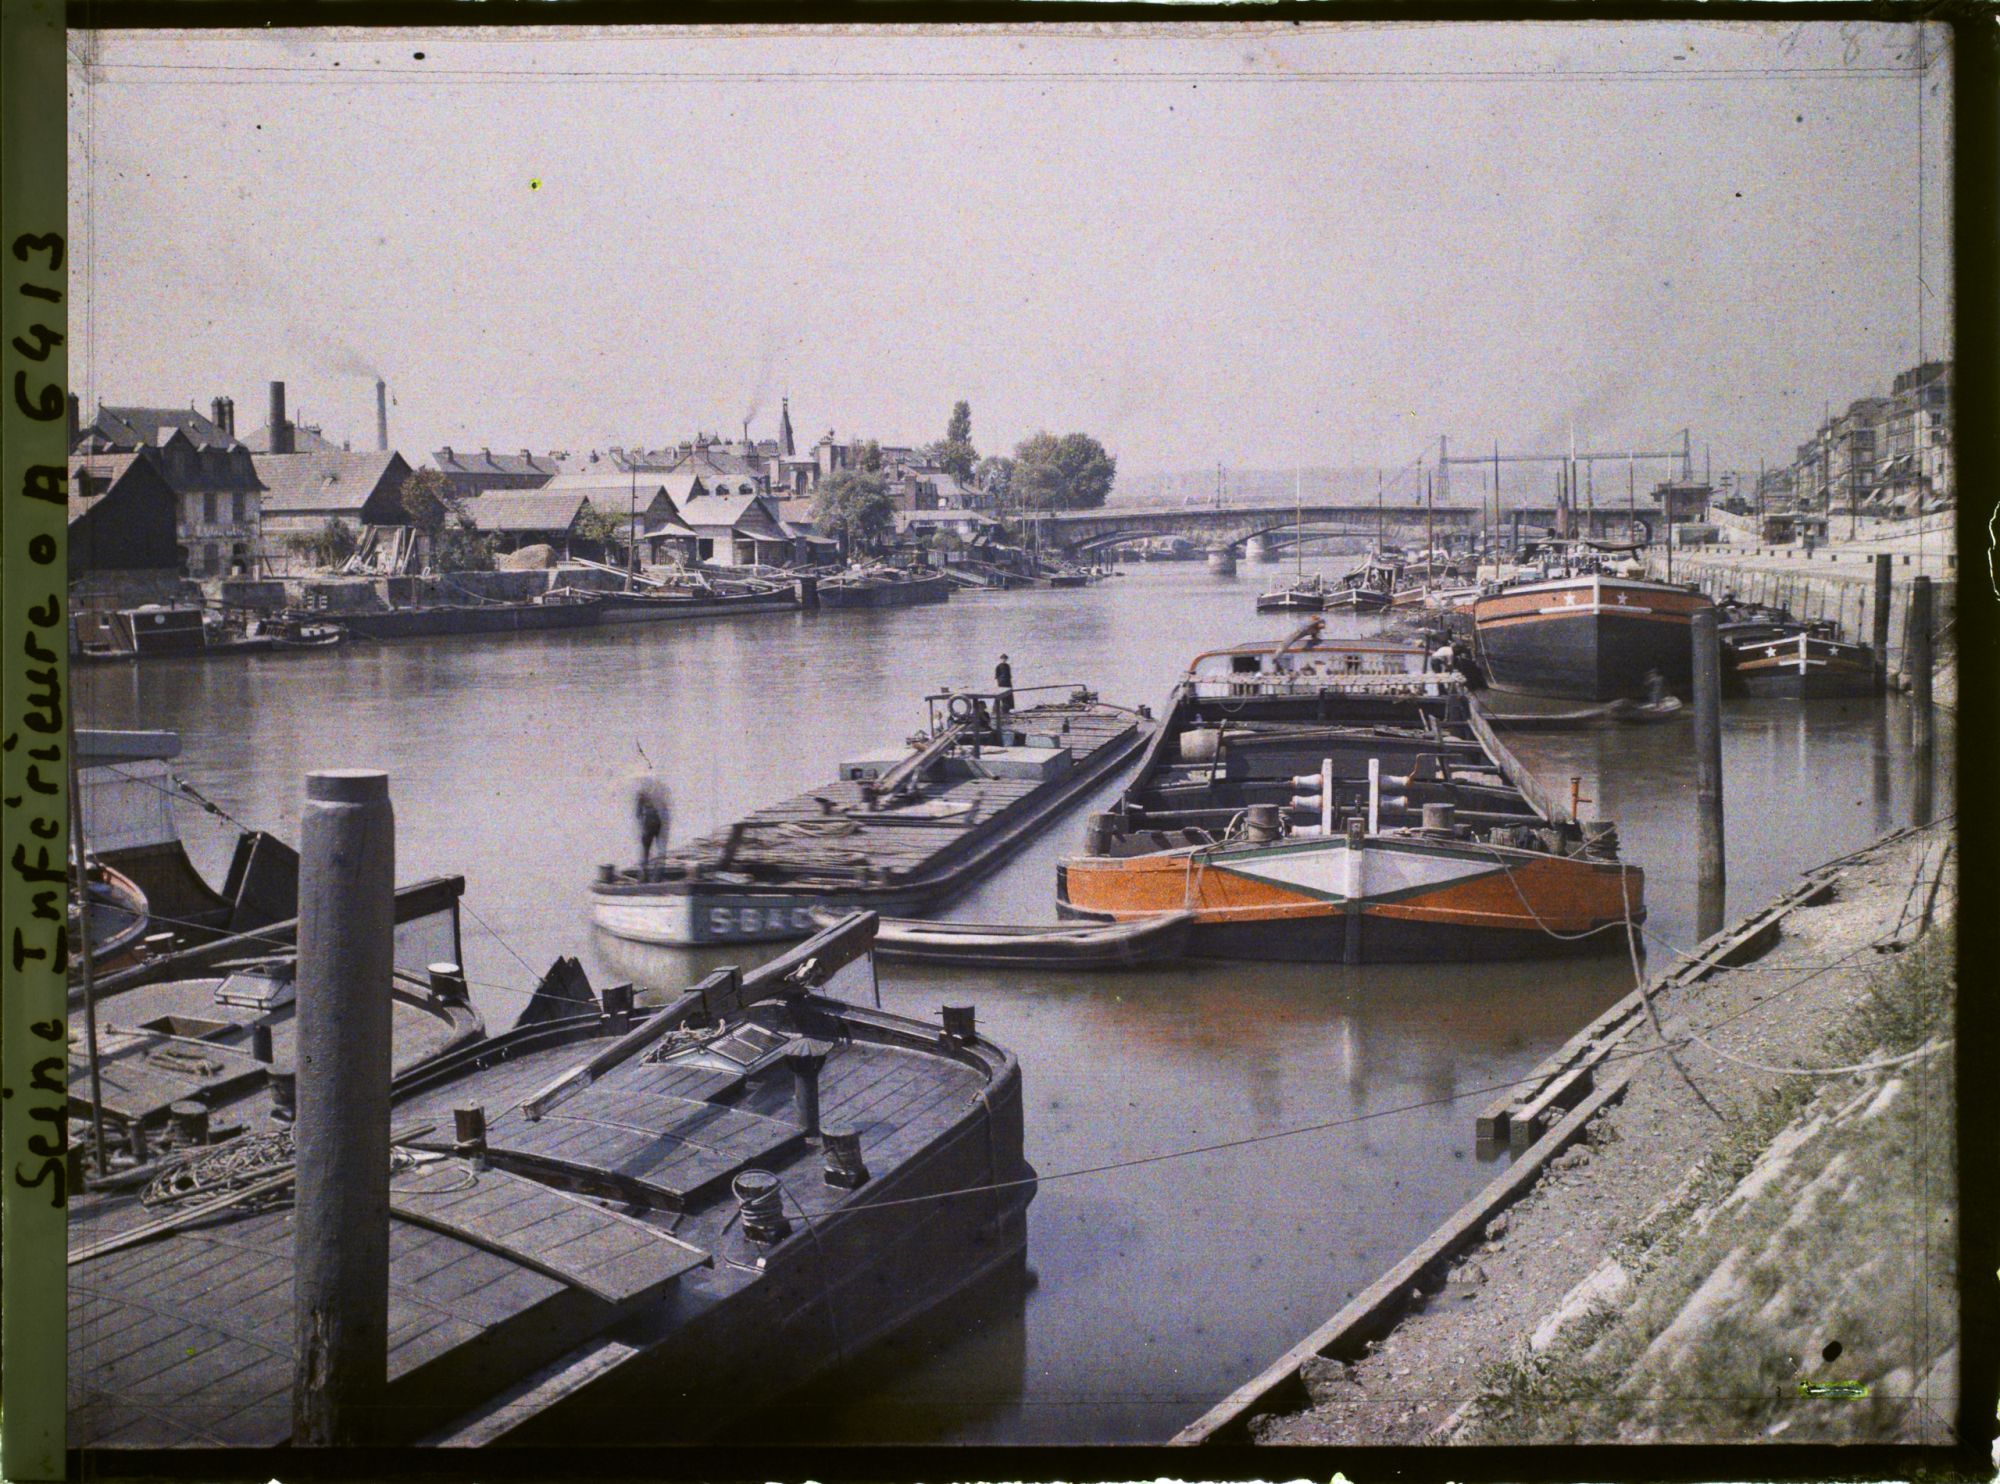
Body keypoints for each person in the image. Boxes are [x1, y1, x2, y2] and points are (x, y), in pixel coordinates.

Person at [635, 773, 672, 867]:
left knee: (646, 851)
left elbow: (638, 814)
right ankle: (658, 874)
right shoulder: (660, 791)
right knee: (661, 849)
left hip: (648, 823)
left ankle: (644, 875)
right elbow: (666, 809)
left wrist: (641, 826)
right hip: (659, 822)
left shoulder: (641, 794)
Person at [994, 653, 1015, 718]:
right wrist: (999, 684)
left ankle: (1007, 709)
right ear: (1001, 659)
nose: (1004, 660)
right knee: (1002, 696)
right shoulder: (998, 666)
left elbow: (1009, 675)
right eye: (1003, 659)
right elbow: (997, 676)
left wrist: (1010, 684)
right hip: (1001, 683)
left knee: (1009, 696)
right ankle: (1001, 710)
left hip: (1008, 682)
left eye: (1005, 659)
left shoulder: (1007, 666)